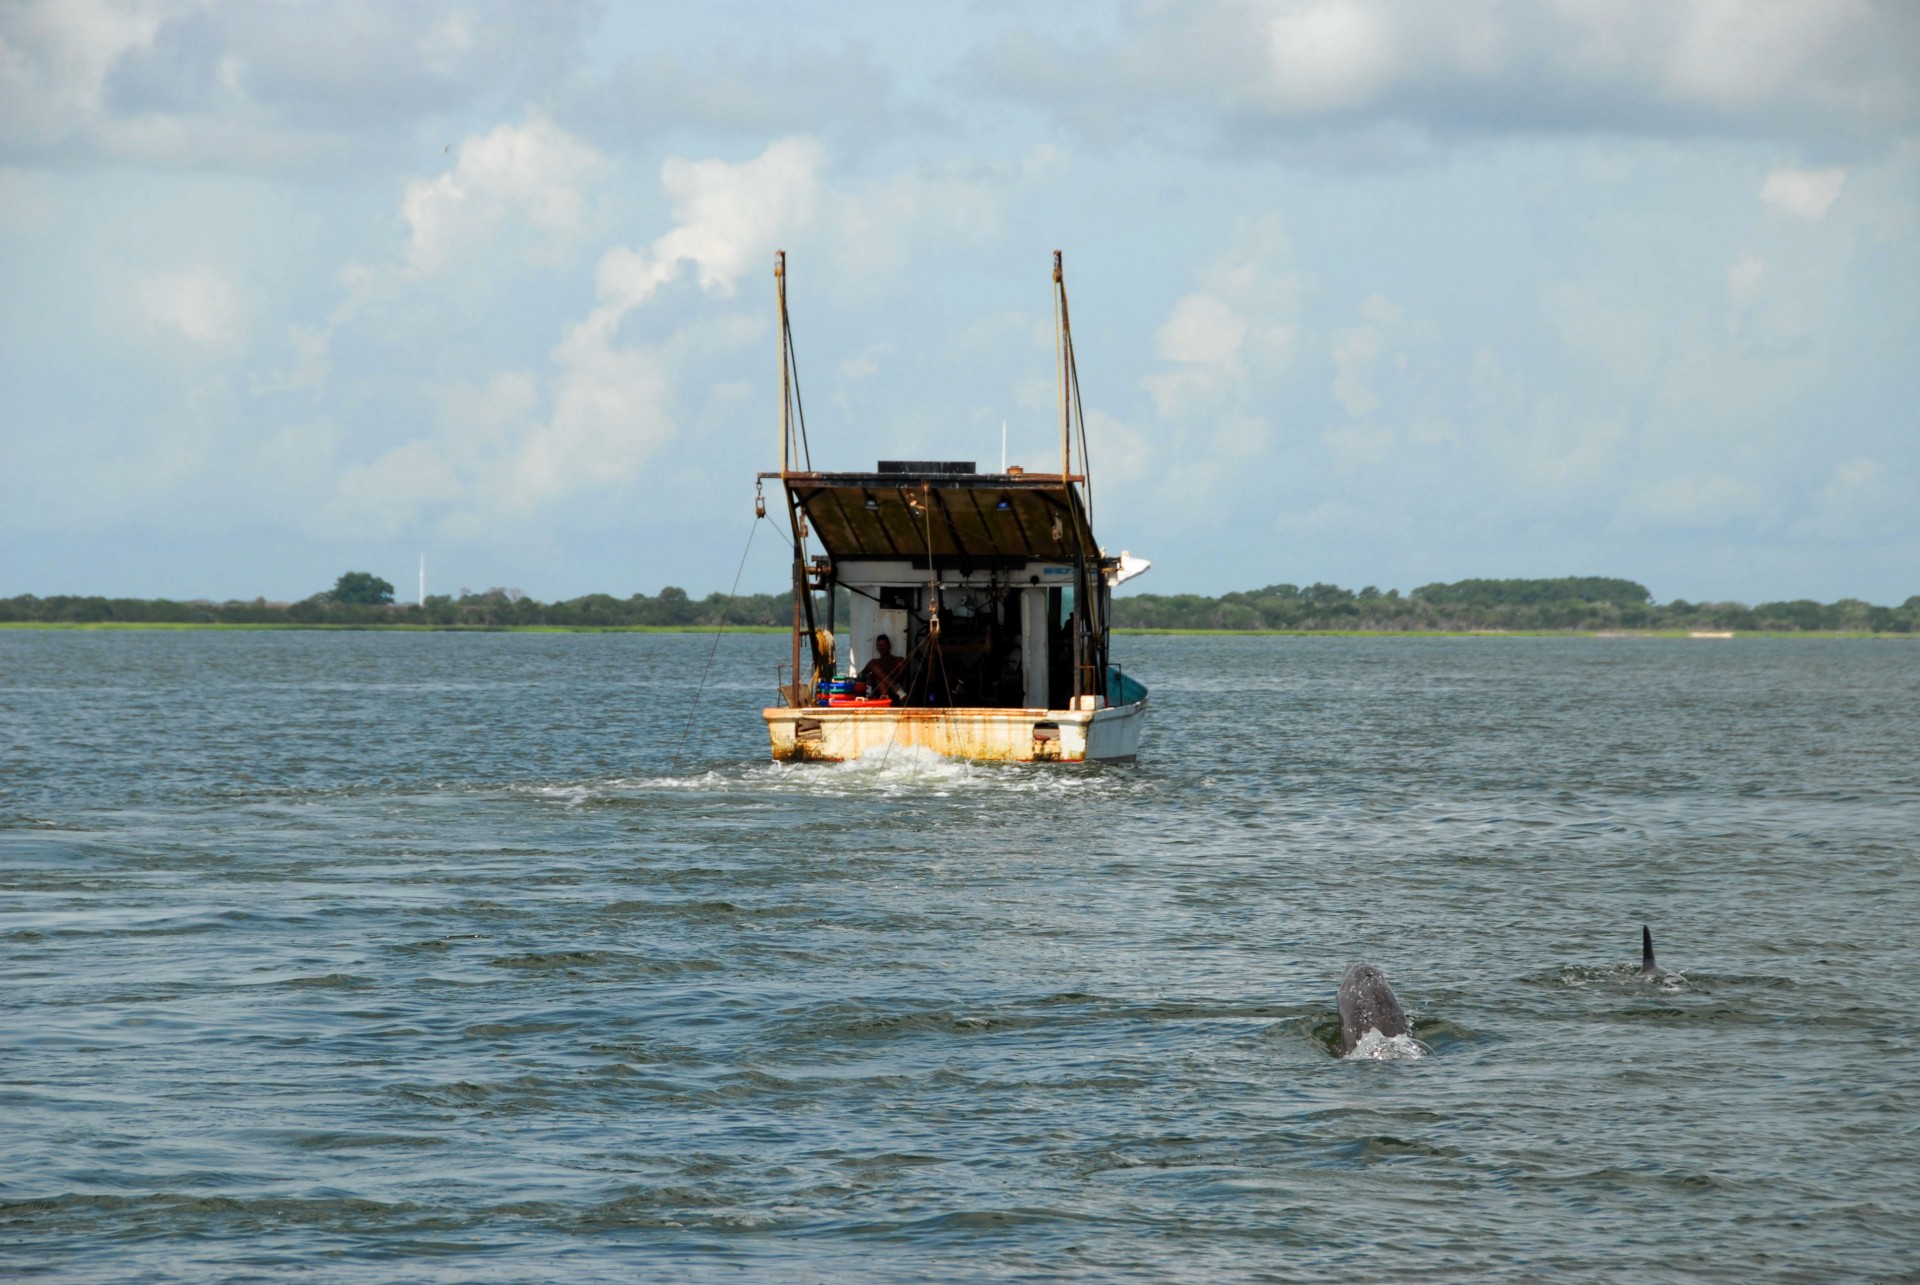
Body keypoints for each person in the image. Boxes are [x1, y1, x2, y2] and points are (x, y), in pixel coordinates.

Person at [859, 633, 908, 704]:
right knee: (875, 671)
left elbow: (902, 677)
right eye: (879, 645)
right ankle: (897, 691)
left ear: (889, 645)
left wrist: (889, 679)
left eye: (884, 644)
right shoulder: (874, 662)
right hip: (879, 693)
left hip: (894, 693)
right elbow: (861, 675)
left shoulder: (898, 660)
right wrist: (869, 677)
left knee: (880, 677)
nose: (882, 647)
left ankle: (894, 692)